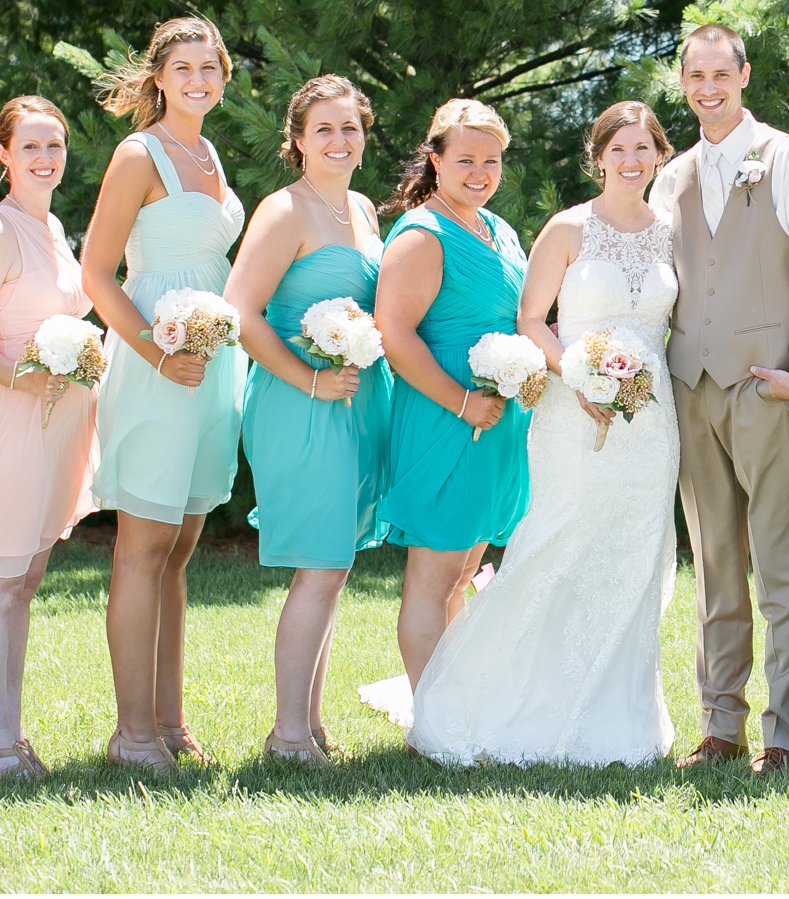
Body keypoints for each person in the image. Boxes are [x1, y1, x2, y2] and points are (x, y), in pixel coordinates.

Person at [402, 101, 681, 766]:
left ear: (660, 156)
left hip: (652, 420)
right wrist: (581, 377)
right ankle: (502, 702)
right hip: (571, 411)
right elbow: (532, 319)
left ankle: (619, 716)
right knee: (556, 548)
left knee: (634, 560)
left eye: (644, 148)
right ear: (599, 156)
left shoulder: (673, 232)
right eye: (619, 149)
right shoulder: (567, 229)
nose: (631, 160)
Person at [650, 23, 789, 776]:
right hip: (691, 386)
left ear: (744, 75)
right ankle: (720, 725)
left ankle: (787, 733)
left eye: (719, 74)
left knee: (784, 565)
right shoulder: (674, 175)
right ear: (684, 83)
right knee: (716, 565)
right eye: (693, 76)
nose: (707, 88)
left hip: (765, 385)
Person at [82, 17, 248, 772]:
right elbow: (97, 275)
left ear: (223, 75)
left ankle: (170, 722)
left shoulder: (211, 154)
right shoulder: (137, 154)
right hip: (155, 364)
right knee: (142, 545)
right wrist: (153, 354)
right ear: (159, 77)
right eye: (182, 67)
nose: (197, 80)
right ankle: (132, 733)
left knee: (180, 547)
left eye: (208, 67)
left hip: (211, 367)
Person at [226, 76, 390, 764]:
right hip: (301, 402)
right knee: (319, 565)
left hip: (355, 402)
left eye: (349, 127)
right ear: (297, 140)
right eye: (323, 129)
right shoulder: (283, 210)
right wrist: (311, 379)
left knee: (334, 565)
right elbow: (238, 310)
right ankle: (288, 735)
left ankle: (311, 724)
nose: (338, 140)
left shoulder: (362, 210)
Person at [0, 96, 102, 778]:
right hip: (6, 421)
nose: (45, 159)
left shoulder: (53, 225)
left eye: (55, 146)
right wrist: (25, 379)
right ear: (4, 155)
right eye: (31, 147)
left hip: (57, 423)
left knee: (26, 577)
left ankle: (5, 733)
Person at [370, 99, 531, 691]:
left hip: (496, 421)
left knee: (464, 574)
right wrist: (463, 404)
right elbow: (394, 334)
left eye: (491, 161)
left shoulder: (497, 228)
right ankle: (432, 717)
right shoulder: (423, 234)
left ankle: (454, 705)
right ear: (435, 161)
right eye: (465, 159)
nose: (480, 173)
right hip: (446, 418)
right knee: (433, 579)